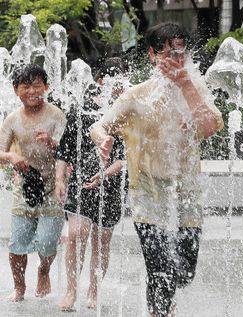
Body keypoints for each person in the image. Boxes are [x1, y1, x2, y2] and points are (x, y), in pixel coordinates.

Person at [90, 22, 224, 317]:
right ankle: (158, 312)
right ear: (152, 55)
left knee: (184, 273)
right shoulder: (137, 96)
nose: (176, 60)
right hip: (147, 195)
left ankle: (160, 304)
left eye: (181, 53)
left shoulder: (197, 89)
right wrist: (104, 140)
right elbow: (99, 125)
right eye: (168, 54)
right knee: (160, 267)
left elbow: (210, 127)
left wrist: (186, 85)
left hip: (186, 194)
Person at [55, 57, 127, 311]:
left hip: (111, 185)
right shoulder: (82, 112)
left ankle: (94, 290)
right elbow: (64, 151)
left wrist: (105, 174)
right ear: (101, 82)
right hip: (81, 182)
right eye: (114, 82)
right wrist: (59, 179)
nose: (119, 87)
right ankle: (71, 290)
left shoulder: (125, 115)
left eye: (122, 82)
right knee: (76, 234)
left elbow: (124, 158)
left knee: (102, 238)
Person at [0, 64, 66, 301]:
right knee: (17, 244)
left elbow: (67, 152)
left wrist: (52, 142)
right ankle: (19, 288)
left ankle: (44, 270)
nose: (31, 91)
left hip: (53, 185)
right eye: (25, 86)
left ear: (46, 87)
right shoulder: (12, 120)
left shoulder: (56, 115)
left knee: (48, 242)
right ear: (16, 89)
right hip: (24, 185)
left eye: (37, 85)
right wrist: (10, 156)